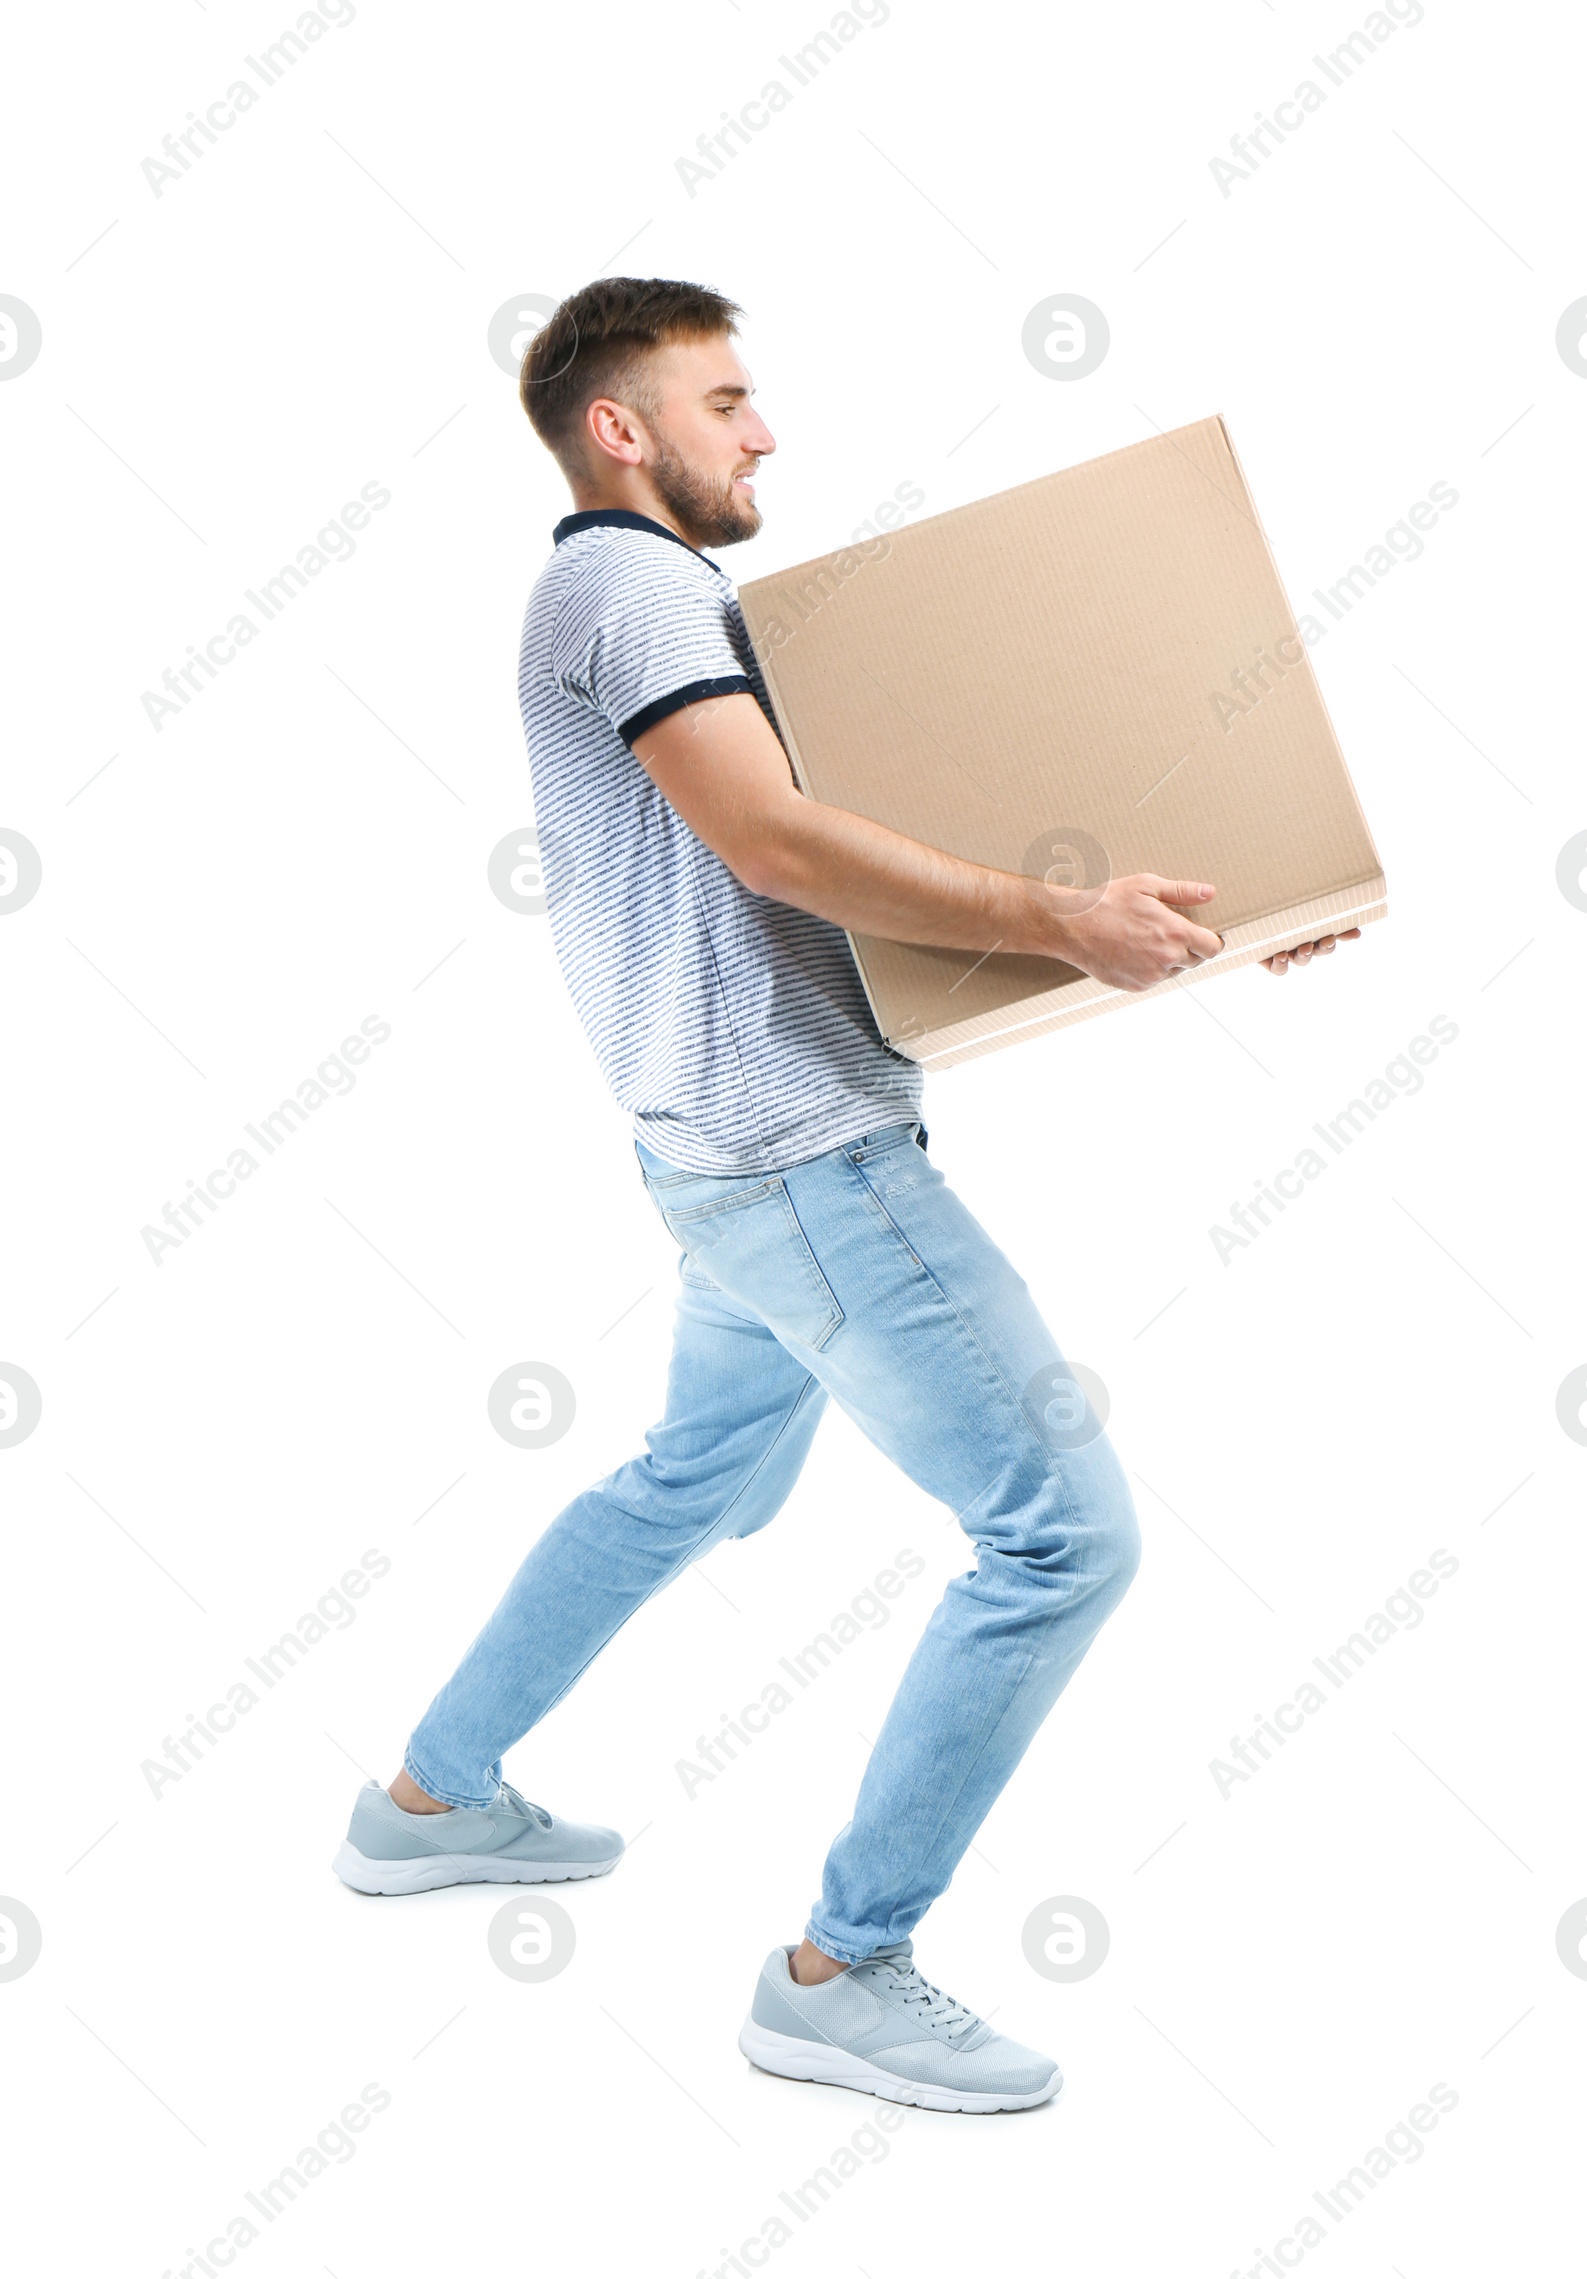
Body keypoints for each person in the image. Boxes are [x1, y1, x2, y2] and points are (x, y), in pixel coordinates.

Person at [331, 276, 1357, 2112]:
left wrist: (1205, 918)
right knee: (1062, 1536)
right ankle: (844, 1971)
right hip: (801, 1166)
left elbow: (872, 823)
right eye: (725, 400)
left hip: (718, 1151)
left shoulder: (649, 598)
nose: (766, 429)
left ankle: (430, 1801)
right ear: (620, 429)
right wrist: (1065, 915)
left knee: (687, 1489)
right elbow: (774, 836)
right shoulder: (632, 584)